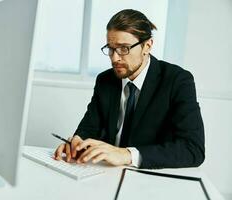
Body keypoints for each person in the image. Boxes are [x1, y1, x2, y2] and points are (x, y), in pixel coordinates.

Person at [54, 9, 205, 169]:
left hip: (151, 178)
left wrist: (126, 155)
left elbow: (193, 149)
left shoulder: (177, 80)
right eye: (111, 48)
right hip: (107, 173)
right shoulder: (105, 80)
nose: (115, 58)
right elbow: (90, 127)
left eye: (124, 48)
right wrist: (77, 142)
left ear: (147, 45)